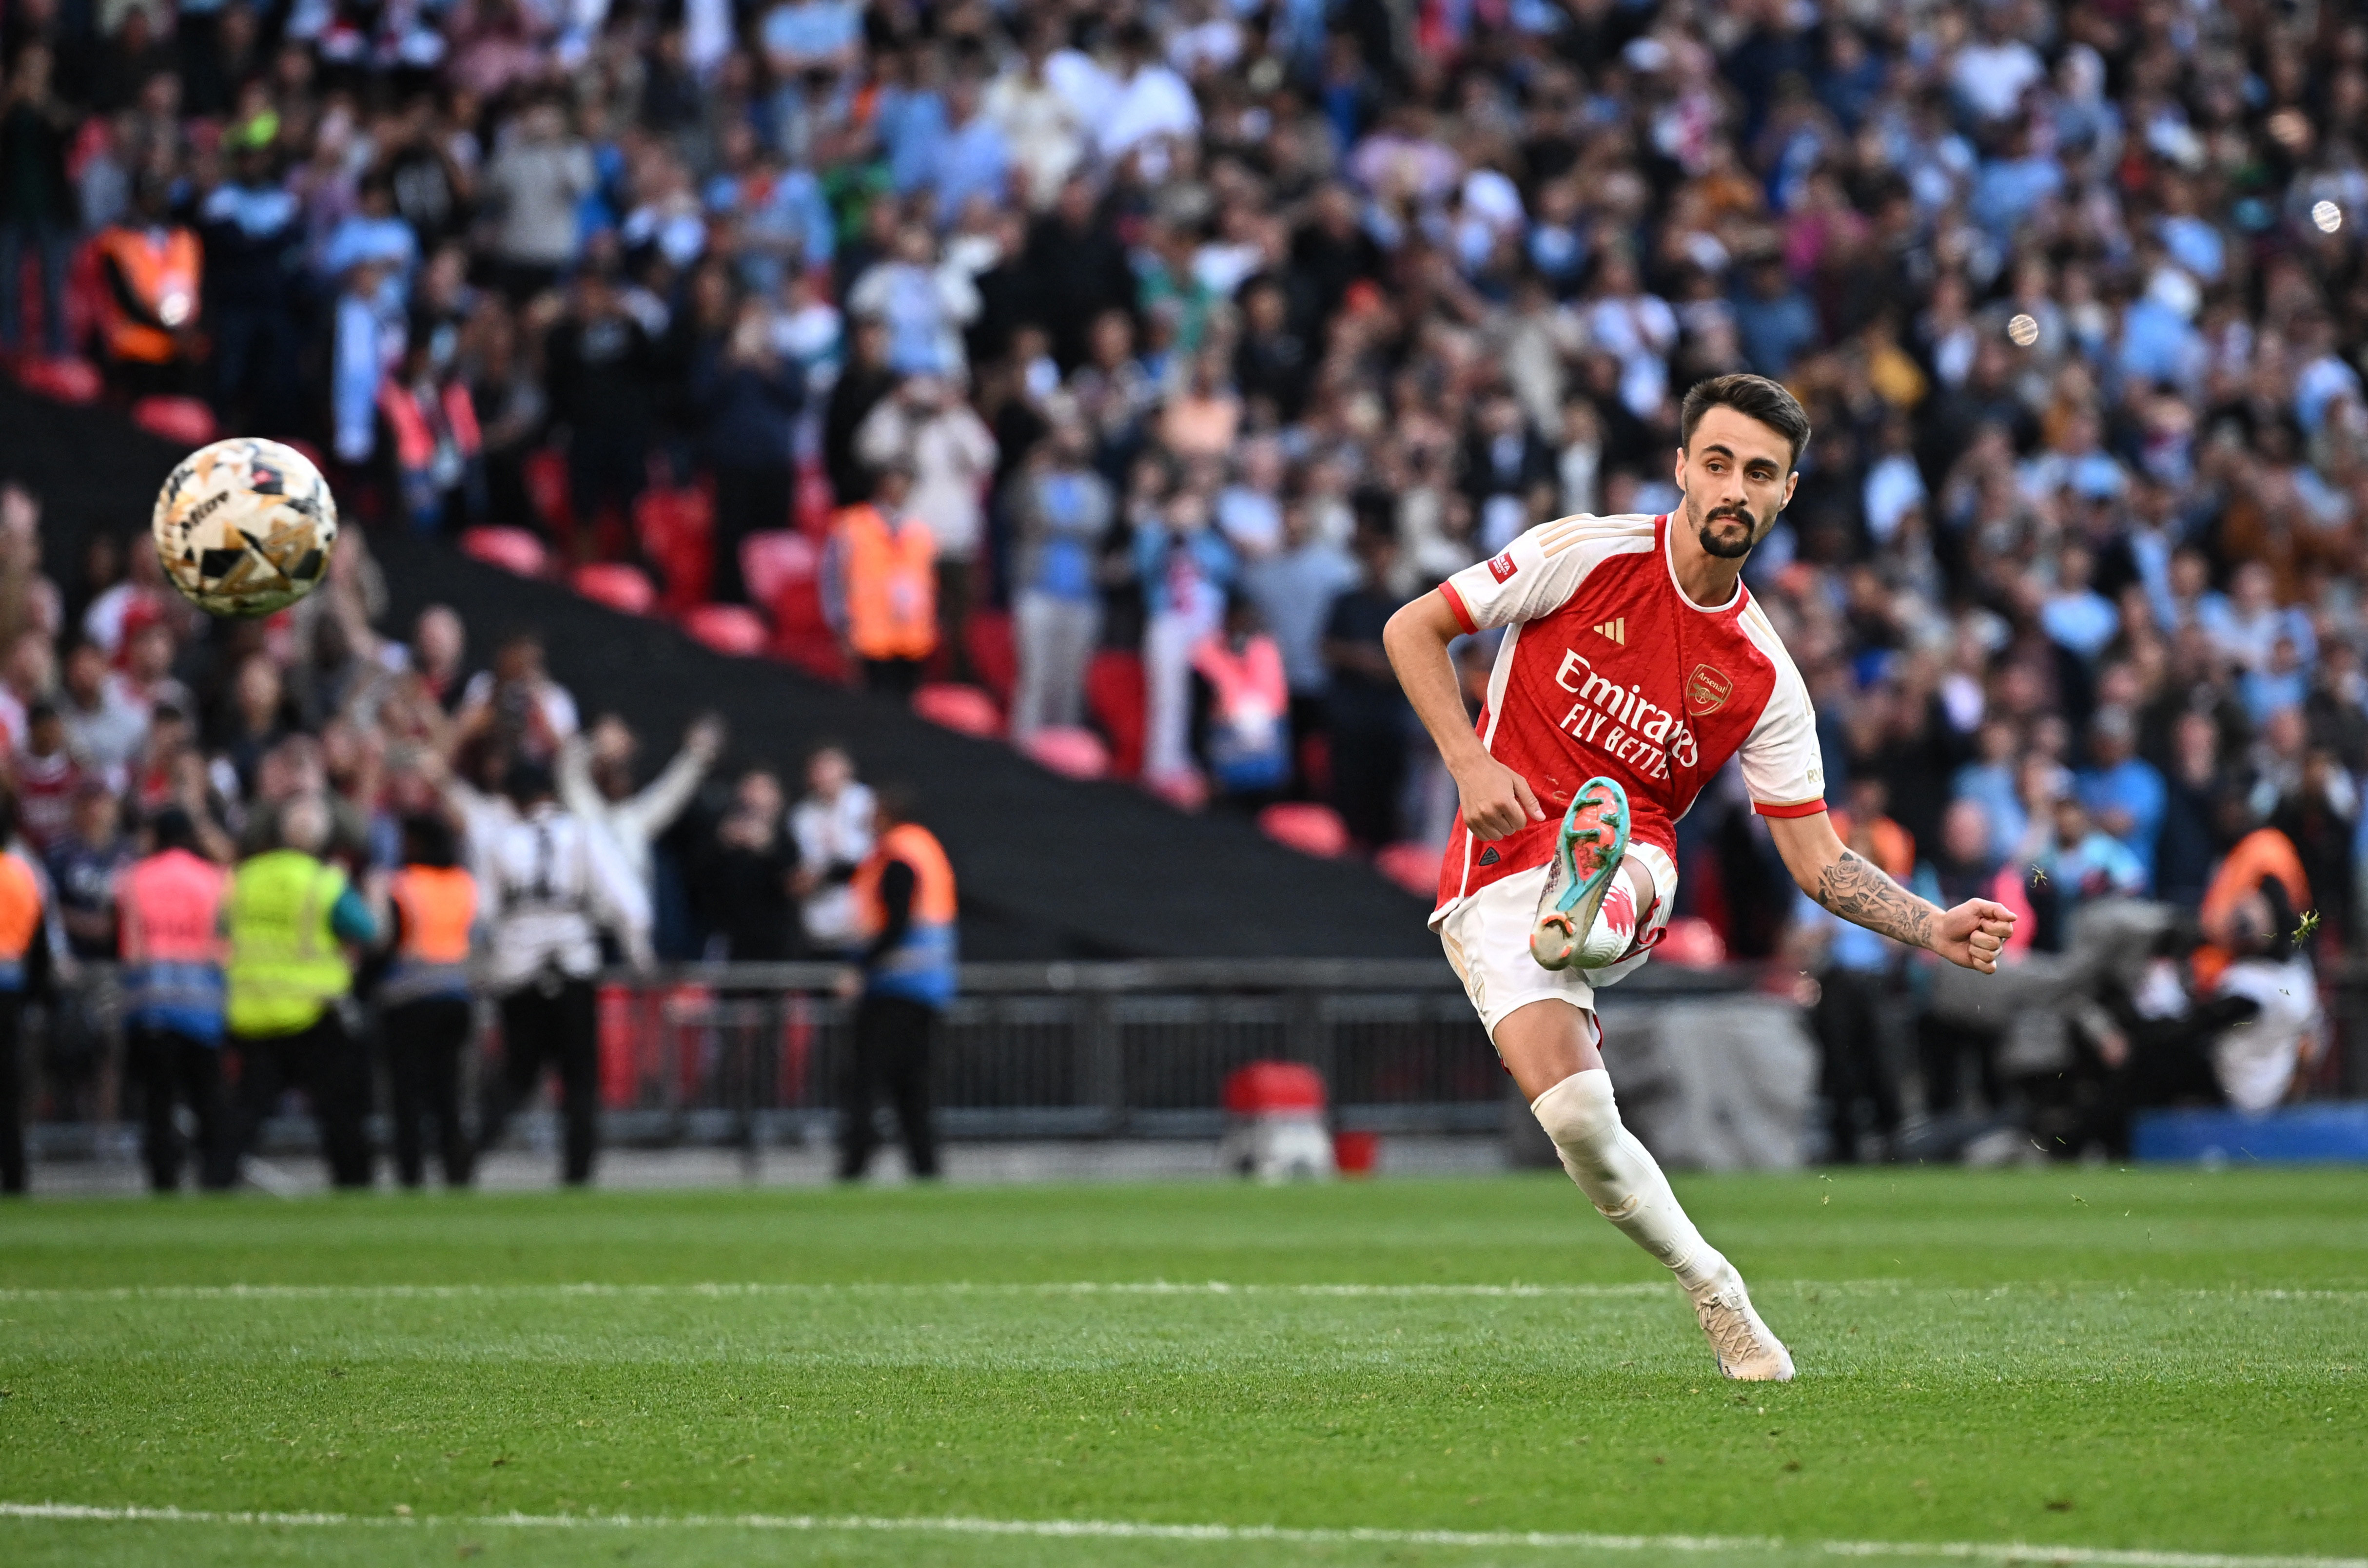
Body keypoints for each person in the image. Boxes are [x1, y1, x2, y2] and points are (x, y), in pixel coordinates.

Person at [1382, 374, 2015, 1382]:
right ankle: (1713, 1286)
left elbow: (1815, 860)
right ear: (1680, 467)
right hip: (1495, 869)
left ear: (1785, 495)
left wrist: (1929, 926)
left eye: (1757, 473)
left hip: (1636, 863)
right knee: (1581, 1125)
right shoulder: (1581, 554)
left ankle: (1592, 902)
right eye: (1714, 464)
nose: (1732, 488)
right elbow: (1412, 626)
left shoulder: (1763, 674)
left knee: (1629, 850)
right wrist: (1468, 760)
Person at [475, 761, 651, 1186]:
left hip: (518, 966)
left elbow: (485, 910)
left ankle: (468, 1153)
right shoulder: (582, 832)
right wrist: (638, 950)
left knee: (516, 1074)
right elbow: (625, 895)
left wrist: (487, 960)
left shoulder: (500, 839)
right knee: (580, 1077)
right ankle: (578, 1171)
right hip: (574, 962)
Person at [220, 794, 379, 1190]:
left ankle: (216, 1181)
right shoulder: (324, 882)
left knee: (246, 1113)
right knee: (340, 1112)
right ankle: (353, 1186)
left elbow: (222, 929)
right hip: (314, 1010)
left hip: (253, 1009)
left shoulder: (244, 877)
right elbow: (368, 930)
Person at [837, 786, 955, 1182]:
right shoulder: (923, 850)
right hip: (929, 988)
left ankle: (855, 1165)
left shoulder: (896, 859)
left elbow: (895, 924)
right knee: (913, 1086)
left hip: (893, 988)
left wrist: (861, 967)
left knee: (867, 1081)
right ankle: (925, 1168)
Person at [116, 807, 228, 1192]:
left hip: (152, 1006)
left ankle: (164, 1180)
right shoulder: (214, 879)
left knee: (157, 1105)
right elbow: (223, 949)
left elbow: (131, 950)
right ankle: (215, 1179)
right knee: (208, 1100)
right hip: (203, 1007)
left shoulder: (135, 878)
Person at [379, 813, 478, 1189]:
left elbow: (387, 940)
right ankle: (456, 1173)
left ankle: (411, 1174)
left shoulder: (403, 884)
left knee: (408, 1095)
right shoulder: (462, 883)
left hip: (409, 996)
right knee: (449, 1092)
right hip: (455, 993)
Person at [822, 462, 937, 696]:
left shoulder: (920, 530)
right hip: (868, 635)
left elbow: (929, 583)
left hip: (911, 638)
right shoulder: (852, 525)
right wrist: (841, 623)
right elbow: (832, 579)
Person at [0, 798, 49, 1195]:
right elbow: (39, 946)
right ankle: (16, 1180)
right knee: (9, 1093)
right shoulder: (21, 877)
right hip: (10, 995)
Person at [790, 742, 875, 954]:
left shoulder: (866, 803)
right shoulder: (802, 815)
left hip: (863, 918)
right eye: (817, 769)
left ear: (846, 769)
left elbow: (872, 855)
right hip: (820, 921)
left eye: (829, 767)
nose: (823, 776)